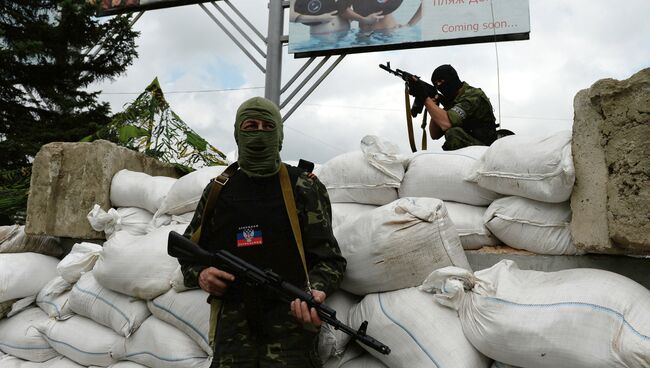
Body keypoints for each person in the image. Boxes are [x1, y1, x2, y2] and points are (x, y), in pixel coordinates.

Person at [179, 96, 347, 368]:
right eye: (250, 125)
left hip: (290, 335)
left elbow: (331, 260)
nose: (258, 133)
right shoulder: (218, 190)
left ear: (279, 135)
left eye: (267, 127)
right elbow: (188, 251)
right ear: (237, 133)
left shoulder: (303, 187)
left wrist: (315, 291)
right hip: (233, 336)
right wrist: (201, 275)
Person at [410, 64, 498, 150]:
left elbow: (447, 123)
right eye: (436, 84)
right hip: (472, 147)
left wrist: (425, 98)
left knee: (453, 134)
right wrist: (434, 106)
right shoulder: (452, 101)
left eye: (441, 81)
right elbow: (434, 134)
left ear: (452, 78)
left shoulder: (472, 95)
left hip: (486, 149)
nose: (439, 86)